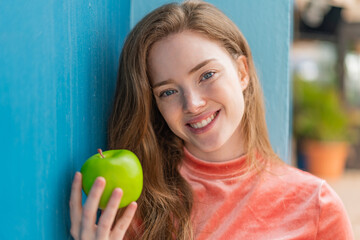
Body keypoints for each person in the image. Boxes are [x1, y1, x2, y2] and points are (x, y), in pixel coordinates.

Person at [69, 0, 354, 239]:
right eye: (168, 91)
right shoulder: (135, 206)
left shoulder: (316, 207)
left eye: (206, 75)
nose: (192, 103)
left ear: (242, 72)